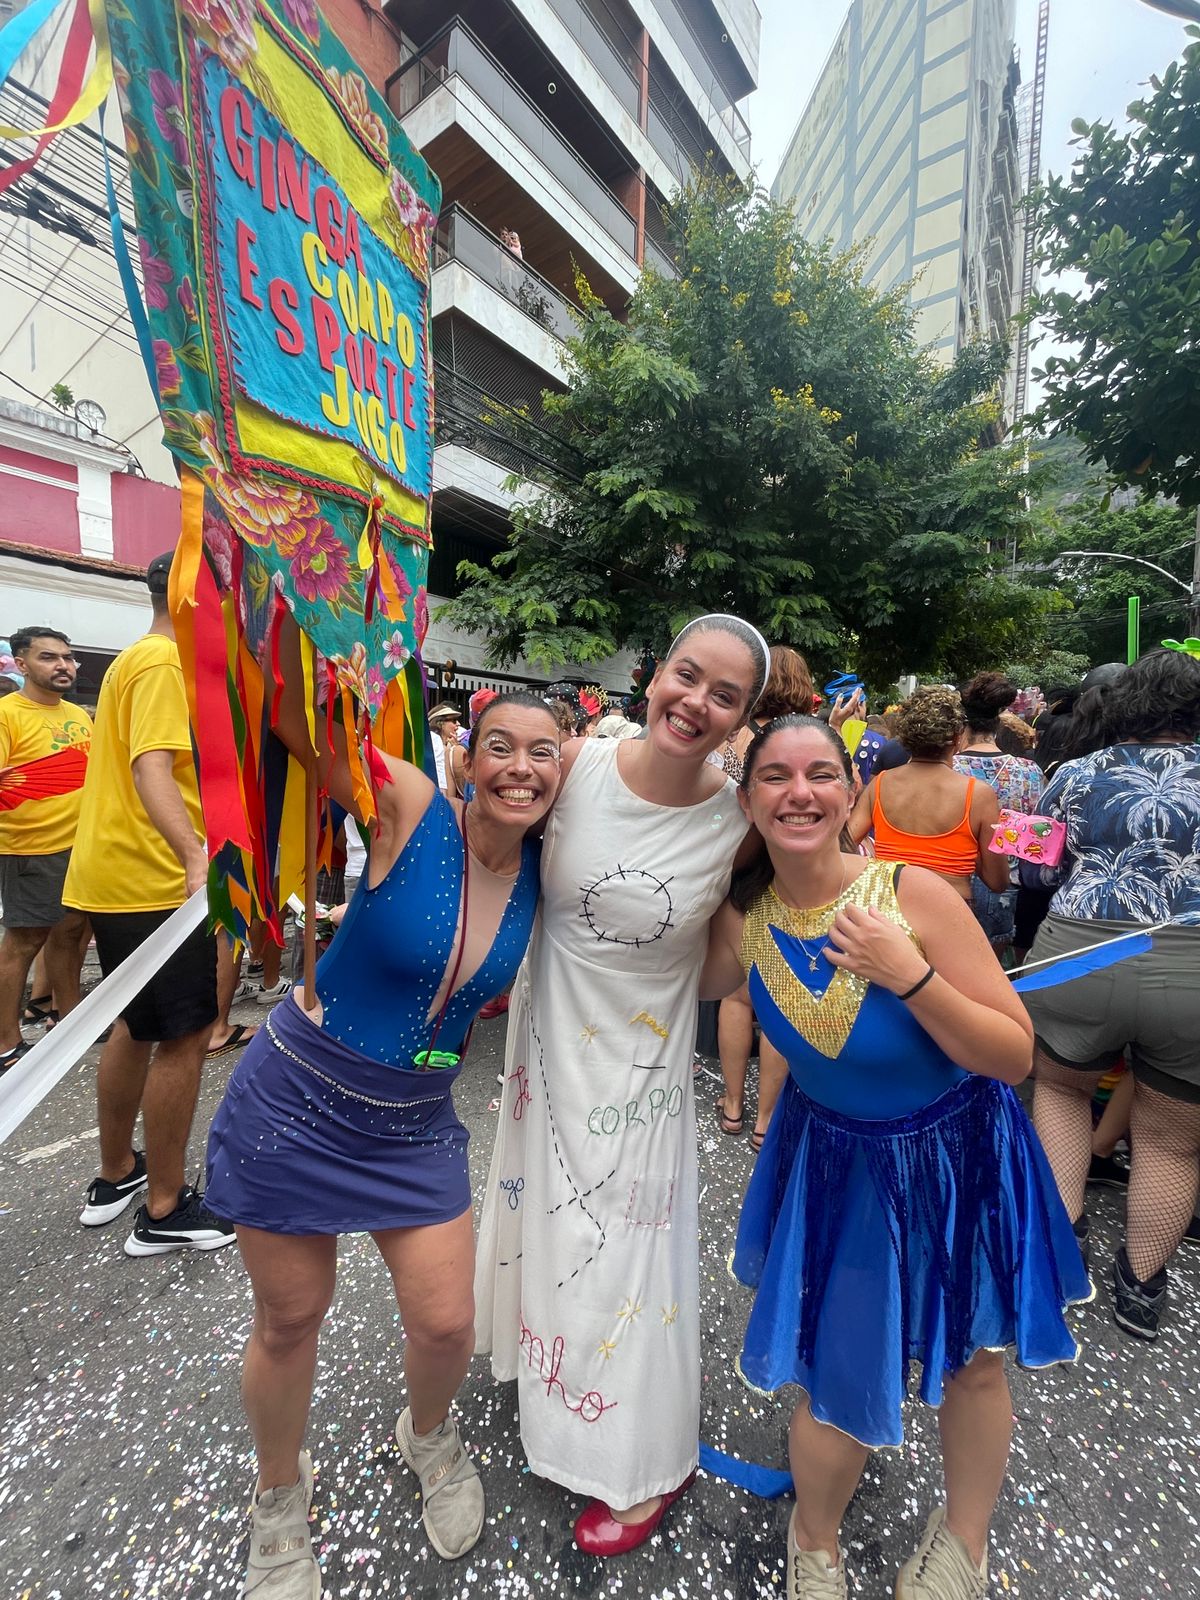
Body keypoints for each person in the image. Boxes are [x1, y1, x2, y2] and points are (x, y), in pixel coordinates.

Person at [701, 715, 1089, 1600]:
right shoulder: (743, 920)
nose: (799, 792)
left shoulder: (913, 896)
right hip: (840, 1166)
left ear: (852, 793)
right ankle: (814, 1540)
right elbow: (652, 967)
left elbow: (1013, 1054)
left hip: (961, 1154)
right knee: (840, 1365)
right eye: (774, 776)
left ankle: (964, 1542)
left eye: (820, 773)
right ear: (748, 800)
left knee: (973, 1360)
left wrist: (908, 975)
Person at [204, 660, 560, 1594]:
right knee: (290, 1319)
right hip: (298, 1103)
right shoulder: (408, 802)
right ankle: (278, 1494)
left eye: (544, 754)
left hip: (414, 1123)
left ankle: (427, 1434)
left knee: (445, 1323)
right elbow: (290, 715)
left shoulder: (549, 867)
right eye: (501, 747)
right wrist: (307, 607)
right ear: (465, 760)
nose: (521, 769)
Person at [475, 614, 769, 1556]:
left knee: (627, 1258)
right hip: (546, 1044)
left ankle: (641, 1461)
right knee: (551, 1228)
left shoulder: (739, 822)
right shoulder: (575, 765)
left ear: (742, 720)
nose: (696, 702)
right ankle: (558, 1392)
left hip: (642, 1067)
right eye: (688, 675)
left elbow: (730, 962)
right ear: (655, 675)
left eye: (725, 695)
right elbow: (491, 850)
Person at [1023, 649, 1200, 1341]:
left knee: (1060, 1090)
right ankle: (1141, 1288)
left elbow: (1035, 872)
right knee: (1173, 1140)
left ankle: (1062, 1246)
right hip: (1190, 966)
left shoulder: (1075, 773)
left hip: (1079, 954)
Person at [64, 555, 235, 1254]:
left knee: (134, 1027)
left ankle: (117, 1173)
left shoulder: (133, 659)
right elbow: (151, 768)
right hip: (154, 880)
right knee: (183, 1038)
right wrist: (194, 857)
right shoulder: (164, 661)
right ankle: (165, 1209)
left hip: (115, 873)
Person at [716, 646, 817, 1149]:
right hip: (788, 875)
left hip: (735, 871)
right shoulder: (809, 739)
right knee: (780, 993)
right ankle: (766, 1117)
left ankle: (733, 1104)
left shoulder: (733, 735)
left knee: (737, 994)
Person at [0, 627, 93, 1071]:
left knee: (71, 932)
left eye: (68, 658)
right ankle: (6, 1042)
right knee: (24, 941)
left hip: (81, 844)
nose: (63, 666)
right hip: (31, 848)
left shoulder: (77, 714)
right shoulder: (7, 714)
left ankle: (69, 1022)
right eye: (48, 657)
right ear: (21, 664)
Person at [849, 687, 1010, 907]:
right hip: (949, 910)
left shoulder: (880, 784)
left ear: (905, 737)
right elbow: (998, 881)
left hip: (888, 909)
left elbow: (844, 844)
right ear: (957, 737)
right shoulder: (978, 795)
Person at [953, 673, 1044, 953]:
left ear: (962, 725)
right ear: (998, 723)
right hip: (1009, 888)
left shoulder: (946, 769)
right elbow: (1036, 834)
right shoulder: (1028, 771)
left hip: (954, 883)